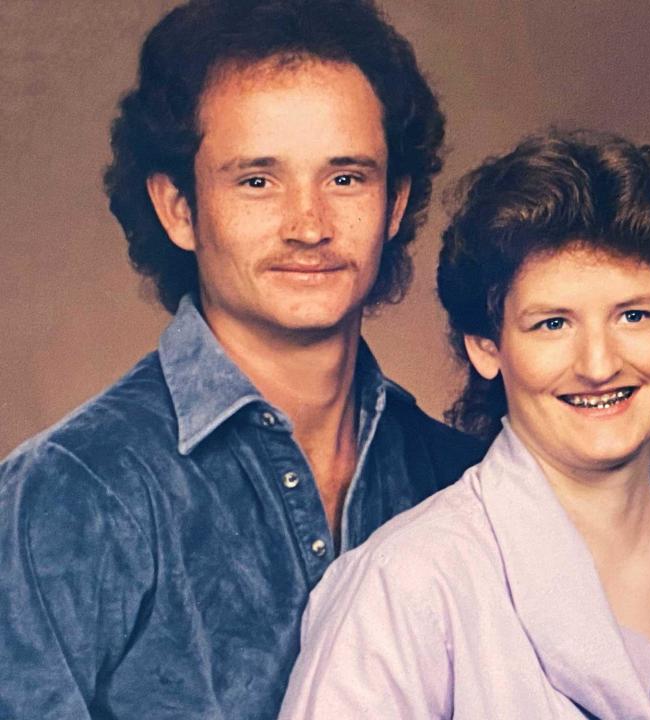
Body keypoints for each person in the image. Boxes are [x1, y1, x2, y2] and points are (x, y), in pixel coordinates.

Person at [0, 1, 485, 717]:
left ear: (394, 203)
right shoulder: (71, 493)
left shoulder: (464, 480)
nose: (309, 225)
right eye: (257, 180)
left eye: (345, 177)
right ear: (178, 208)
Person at [279, 129, 650, 719]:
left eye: (634, 315)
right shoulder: (406, 585)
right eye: (552, 324)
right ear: (487, 347)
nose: (599, 364)